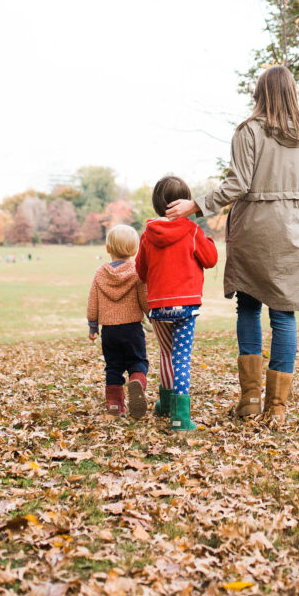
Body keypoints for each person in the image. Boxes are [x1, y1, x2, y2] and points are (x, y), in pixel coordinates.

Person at [166, 65, 299, 426]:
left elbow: (238, 185)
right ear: (291, 92)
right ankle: (276, 409)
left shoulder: (249, 131)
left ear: (261, 92)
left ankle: (250, 400)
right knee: (284, 313)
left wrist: (195, 205)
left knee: (248, 307)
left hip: (256, 226)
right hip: (293, 226)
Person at [135, 175, 218, 431]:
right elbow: (210, 259)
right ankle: (180, 416)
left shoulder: (148, 233)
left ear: (157, 204)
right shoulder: (193, 231)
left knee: (166, 354)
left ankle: (165, 403)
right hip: (186, 306)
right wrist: (210, 243)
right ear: (185, 201)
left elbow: (141, 271)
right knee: (181, 357)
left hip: (159, 306)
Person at [87, 224, 149, 418]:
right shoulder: (137, 272)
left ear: (107, 249)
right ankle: (137, 381)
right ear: (134, 250)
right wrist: (152, 316)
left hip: (109, 332)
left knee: (113, 366)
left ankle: (114, 407)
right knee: (137, 361)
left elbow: (93, 302)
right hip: (132, 329)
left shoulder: (100, 274)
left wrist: (92, 325)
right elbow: (144, 299)